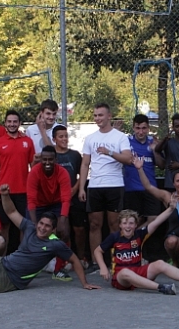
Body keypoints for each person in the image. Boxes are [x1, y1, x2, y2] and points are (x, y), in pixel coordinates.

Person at [96, 207, 179, 295]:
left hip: (138, 272)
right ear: (120, 225)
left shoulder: (139, 234)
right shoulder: (114, 237)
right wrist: (103, 267)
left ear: (136, 225)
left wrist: (171, 208)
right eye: (125, 223)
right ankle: (161, 288)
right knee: (125, 272)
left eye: (131, 223)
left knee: (160, 263)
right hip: (121, 278)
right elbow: (98, 251)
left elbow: (156, 222)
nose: (128, 226)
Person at [78, 103, 133, 264]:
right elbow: (85, 164)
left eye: (100, 115)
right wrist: (82, 188)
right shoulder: (90, 138)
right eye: (95, 115)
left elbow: (128, 159)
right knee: (95, 224)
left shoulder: (120, 137)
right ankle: (97, 262)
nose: (97, 118)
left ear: (109, 116)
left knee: (114, 224)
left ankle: (116, 260)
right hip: (95, 185)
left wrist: (109, 152)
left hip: (114, 184)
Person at [131, 156, 179, 270]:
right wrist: (140, 169)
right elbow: (148, 187)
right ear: (173, 183)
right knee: (171, 242)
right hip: (174, 237)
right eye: (178, 181)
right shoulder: (167, 196)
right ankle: (175, 262)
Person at [0, 109, 36, 251]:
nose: (12, 124)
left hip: (23, 191)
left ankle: (21, 256)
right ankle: (2, 258)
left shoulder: (27, 141)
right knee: (4, 226)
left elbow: (33, 166)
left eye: (15, 121)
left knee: (22, 225)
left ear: (19, 123)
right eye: (9, 121)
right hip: (4, 192)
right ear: (5, 123)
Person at [27, 145, 74, 281]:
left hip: (56, 203)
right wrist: (34, 223)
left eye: (50, 159)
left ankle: (58, 269)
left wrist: (62, 221)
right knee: (28, 230)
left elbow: (66, 199)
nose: (47, 162)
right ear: (41, 159)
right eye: (44, 159)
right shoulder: (34, 172)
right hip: (38, 204)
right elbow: (31, 199)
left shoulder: (63, 172)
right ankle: (29, 266)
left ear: (56, 160)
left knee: (64, 232)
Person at [53, 124, 89, 267]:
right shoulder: (51, 156)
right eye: (61, 136)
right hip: (58, 199)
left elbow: (82, 174)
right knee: (62, 230)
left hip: (74, 196)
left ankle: (81, 258)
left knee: (79, 229)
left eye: (66, 136)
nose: (64, 139)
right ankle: (64, 260)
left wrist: (75, 189)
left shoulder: (75, 155)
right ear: (54, 139)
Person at [123, 114, 160, 223]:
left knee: (154, 220)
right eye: (138, 128)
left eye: (144, 128)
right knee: (133, 221)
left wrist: (155, 151)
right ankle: (136, 234)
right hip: (132, 189)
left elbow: (162, 165)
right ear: (133, 128)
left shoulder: (153, 141)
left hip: (151, 188)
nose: (141, 131)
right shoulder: (126, 142)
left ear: (148, 128)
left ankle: (140, 233)